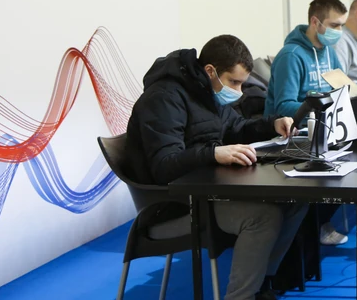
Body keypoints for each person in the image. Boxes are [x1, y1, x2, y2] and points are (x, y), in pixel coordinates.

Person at [125, 35, 305, 300]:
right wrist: (212, 153)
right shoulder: (164, 98)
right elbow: (164, 166)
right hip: (173, 205)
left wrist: (272, 124)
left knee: (295, 201)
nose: (239, 91)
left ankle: (261, 283)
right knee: (263, 216)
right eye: (234, 82)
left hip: (207, 191)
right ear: (210, 70)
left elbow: (236, 127)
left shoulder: (206, 91)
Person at [265, 0, 347, 118]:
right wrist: (322, 109)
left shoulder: (329, 51)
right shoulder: (291, 56)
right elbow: (283, 107)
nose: (339, 30)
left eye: (342, 25)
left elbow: (344, 87)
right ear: (315, 22)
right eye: (334, 25)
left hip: (323, 122)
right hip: (294, 127)